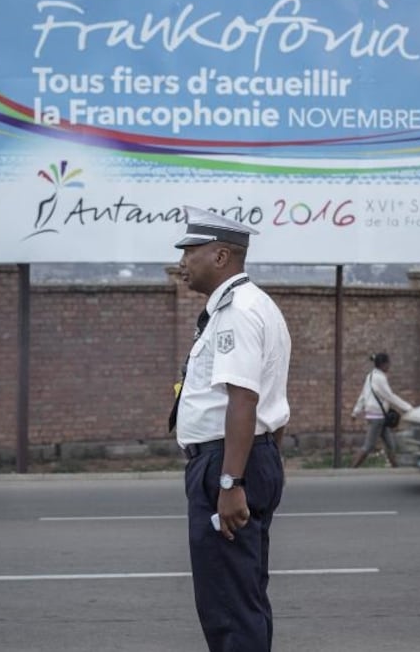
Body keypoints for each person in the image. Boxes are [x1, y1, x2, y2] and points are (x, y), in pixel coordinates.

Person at [172, 205, 292, 652]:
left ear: (220, 256)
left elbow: (244, 399)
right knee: (244, 597)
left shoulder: (237, 311)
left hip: (226, 463)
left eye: (190, 251)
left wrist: (230, 481)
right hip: (248, 457)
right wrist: (263, 464)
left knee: (228, 606)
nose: (182, 262)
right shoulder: (256, 306)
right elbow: (273, 401)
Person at [350, 352, 412, 468]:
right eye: (388, 363)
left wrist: (356, 411)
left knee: (390, 444)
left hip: (379, 416)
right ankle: (350, 470)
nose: (390, 366)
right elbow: (390, 396)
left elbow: (363, 395)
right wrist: (408, 408)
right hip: (377, 417)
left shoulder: (370, 376)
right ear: (383, 364)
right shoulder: (380, 379)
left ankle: (396, 469)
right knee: (368, 446)